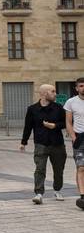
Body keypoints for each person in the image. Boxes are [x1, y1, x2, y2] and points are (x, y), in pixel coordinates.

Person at [21, 84, 67, 204]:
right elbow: (28, 126)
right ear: (45, 93)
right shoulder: (32, 109)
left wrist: (55, 125)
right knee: (40, 169)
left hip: (57, 144)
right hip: (41, 143)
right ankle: (39, 193)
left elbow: (66, 123)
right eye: (53, 91)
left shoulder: (58, 108)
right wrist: (23, 142)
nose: (55, 94)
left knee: (58, 169)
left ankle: (57, 190)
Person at [64, 77, 84, 210]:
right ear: (76, 88)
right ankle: (82, 196)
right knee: (81, 167)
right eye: (81, 86)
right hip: (80, 138)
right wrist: (73, 137)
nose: (83, 88)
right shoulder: (71, 102)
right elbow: (68, 122)